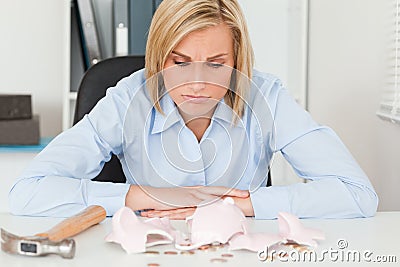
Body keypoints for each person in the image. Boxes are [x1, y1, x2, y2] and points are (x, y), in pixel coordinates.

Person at [9, 0, 378, 220]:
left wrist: (244, 204)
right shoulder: (127, 98)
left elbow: (357, 194)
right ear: (158, 58)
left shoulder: (268, 97)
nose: (197, 83)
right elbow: (28, 193)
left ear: (239, 61)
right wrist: (142, 196)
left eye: (217, 63)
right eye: (180, 62)